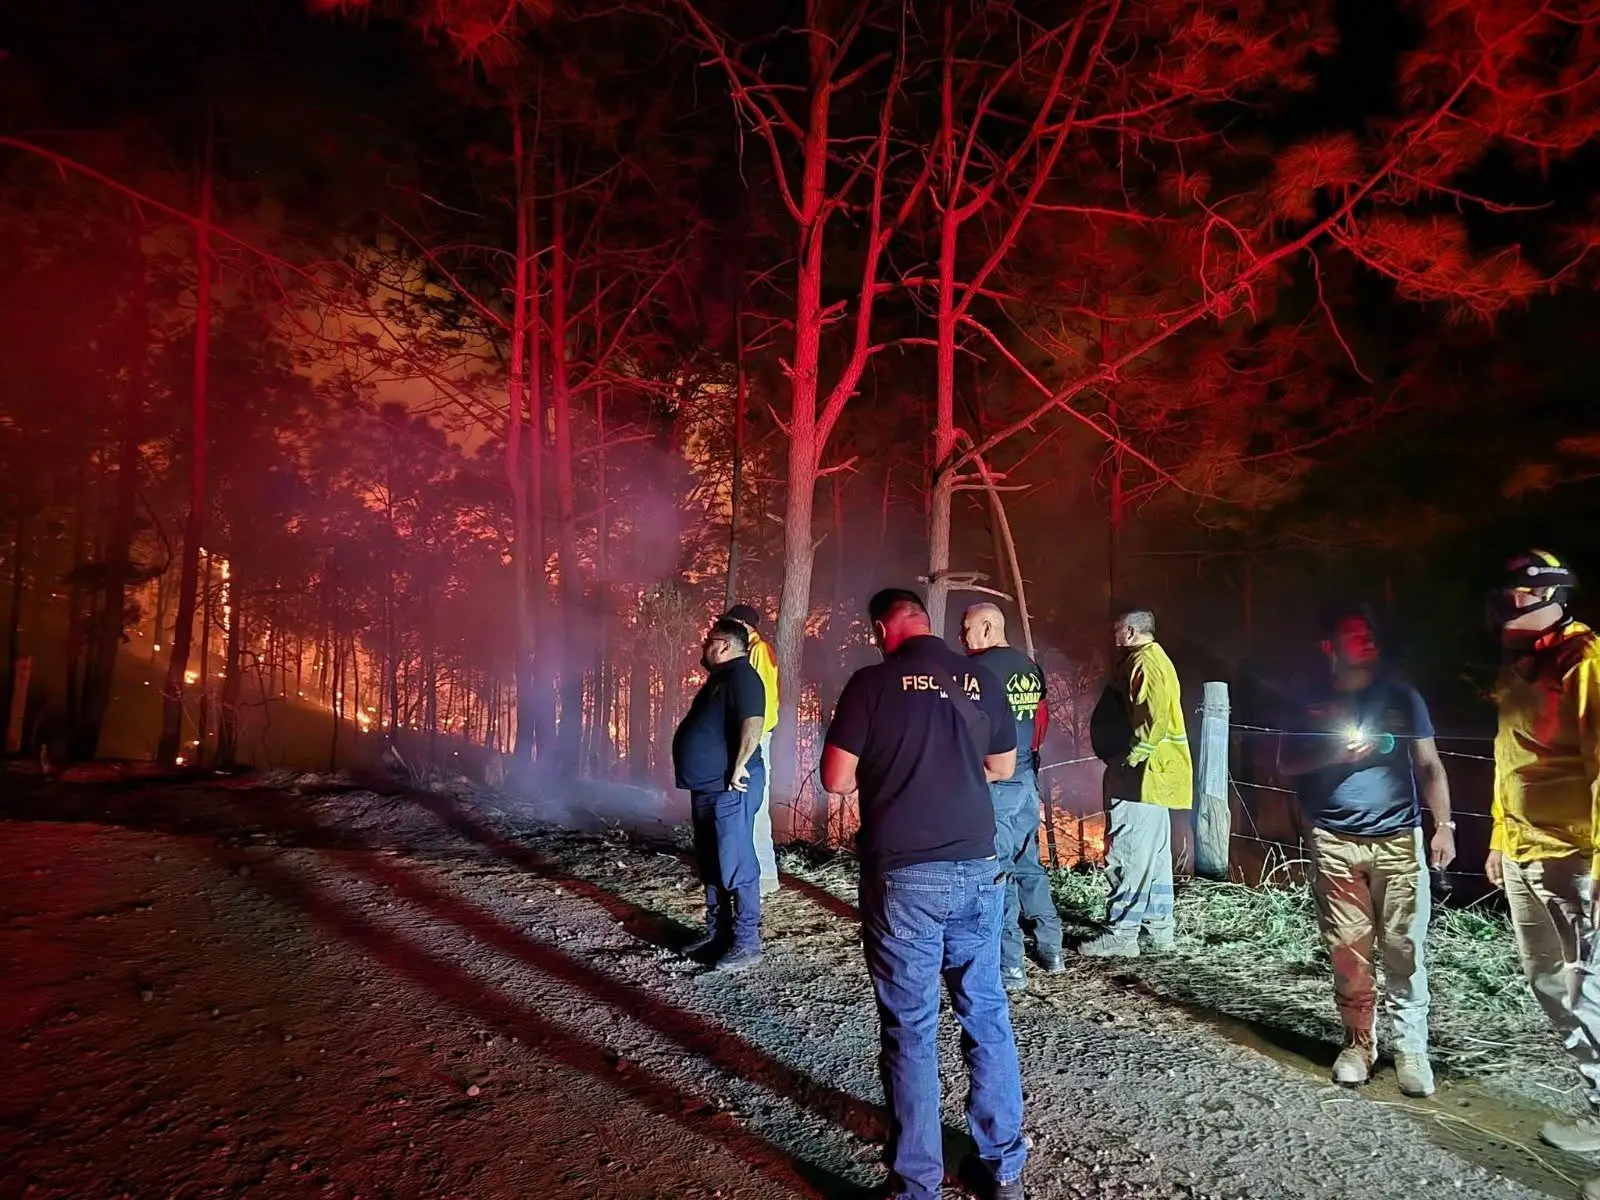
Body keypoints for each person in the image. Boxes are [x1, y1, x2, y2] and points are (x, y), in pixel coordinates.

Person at [822, 588, 1028, 1200]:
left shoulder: (871, 683)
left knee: (912, 1026)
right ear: (926, 621)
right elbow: (1004, 767)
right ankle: (1002, 1169)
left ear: (883, 628)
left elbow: (836, 780)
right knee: (985, 1010)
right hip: (978, 863)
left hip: (906, 872)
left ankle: (917, 1183)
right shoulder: (979, 679)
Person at [1277, 607, 1454, 1096]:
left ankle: (1411, 1049)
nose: (1366, 640)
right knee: (1349, 951)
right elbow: (1286, 761)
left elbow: (1429, 765)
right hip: (1334, 840)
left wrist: (1445, 827)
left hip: (1399, 839)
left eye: (1370, 633)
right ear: (1329, 648)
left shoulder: (1402, 697)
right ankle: (1359, 1043)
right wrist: (1335, 752)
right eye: (1353, 634)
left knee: (1405, 948)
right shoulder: (1308, 700)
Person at [1484, 550, 1600, 1175]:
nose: (1508, 606)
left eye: (1520, 595)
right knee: (1551, 986)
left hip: (1575, 857)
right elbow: (1509, 759)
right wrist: (1500, 837)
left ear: (1553, 596)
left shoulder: (1585, 660)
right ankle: (1597, 1103)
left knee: (1592, 993)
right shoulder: (1522, 667)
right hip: (1526, 853)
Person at [960, 602, 1065, 992]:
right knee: (1027, 862)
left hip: (996, 776)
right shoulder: (1029, 667)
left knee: (996, 869)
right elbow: (1040, 721)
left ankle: (1010, 964)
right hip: (1026, 773)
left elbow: (967, 727)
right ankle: (1052, 949)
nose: (962, 636)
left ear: (987, 627)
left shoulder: (977, 672)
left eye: (966, 628)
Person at [1083, 609, 1192, 957]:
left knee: (1128, 853)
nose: (1113, 635)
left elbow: (1153, 718)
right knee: (1155, 857)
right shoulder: (1151, 659)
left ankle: (1122, 935)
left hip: (1141, 777)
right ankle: (1160, 932)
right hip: (1154, 778)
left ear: (1130, 631)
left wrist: (1129, 758)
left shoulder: (1143, 664)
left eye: (1117, 629)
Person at [671, 617, 767, 973]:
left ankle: (746, 942)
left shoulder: (742, 676)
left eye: (708, 641)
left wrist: (740, 764)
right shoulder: (721, 680)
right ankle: (717, 933)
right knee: (712, 861)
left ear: (725, 645)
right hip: (709, 787)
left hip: (731, 786)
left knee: (736, 861)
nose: (703, 646)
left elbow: (753, 721)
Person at [723, 603, 781, 896]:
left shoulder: (758, 650)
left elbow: (764, 701)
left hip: (756, 738)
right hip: (753, 736)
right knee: (748, 805)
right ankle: (752, 873)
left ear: (742, 624)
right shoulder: (754, 650)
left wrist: (751, 739)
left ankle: (766, 876)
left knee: (755, 806)